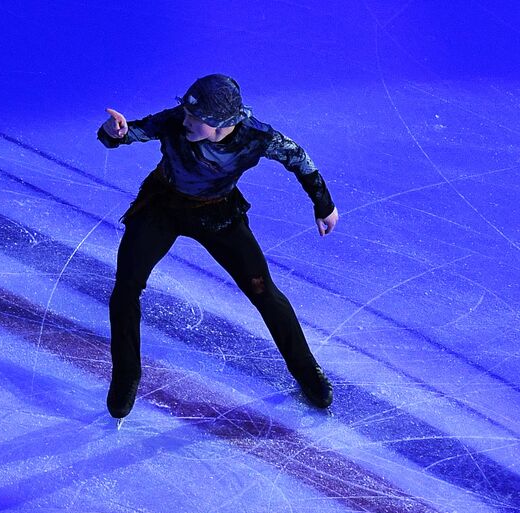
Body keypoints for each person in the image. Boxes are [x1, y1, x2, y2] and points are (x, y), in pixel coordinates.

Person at [98, 74, 339, 419]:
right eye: (185, 113)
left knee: (262, 290)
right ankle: (126, 376)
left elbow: (298, 158)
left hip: (217, 213)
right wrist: (113, 132)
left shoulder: (255, 136)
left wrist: (324, 204)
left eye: (195, 119)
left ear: (222, 124)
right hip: (161, 207)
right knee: (125, 289)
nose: (185, 121)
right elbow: (130, 133)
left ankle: (306, 371)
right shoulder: (175, 120)